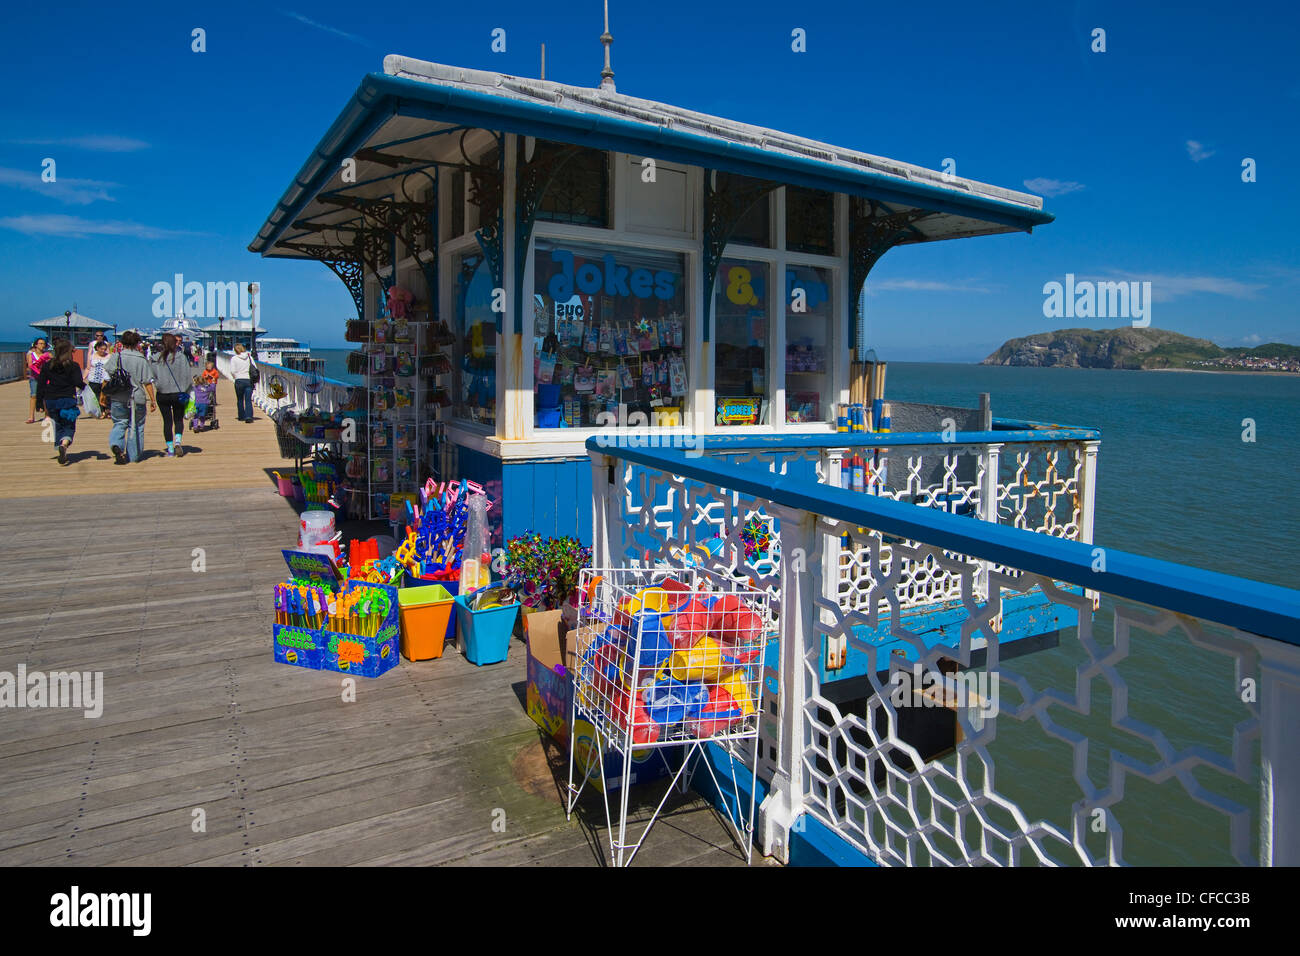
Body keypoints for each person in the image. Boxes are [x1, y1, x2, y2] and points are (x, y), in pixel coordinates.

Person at [102, 330, 157, 465]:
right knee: (137, 426)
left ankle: (117, 445)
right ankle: (134, 456)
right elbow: (147, 381)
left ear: (122, 342)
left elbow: (106, 378)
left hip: (118, 397)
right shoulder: (141, 359)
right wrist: (153, 400)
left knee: (119, 423)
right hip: (137, 397)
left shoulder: (116, 356)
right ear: (137, 343)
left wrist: (102, 395)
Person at [36, 339, 86, 465]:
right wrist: (87, 389)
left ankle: (60, 444)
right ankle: (64, 444)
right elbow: (78, 383)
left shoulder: (47, 365)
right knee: (69, 426)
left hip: (51, 400)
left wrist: (39, 402)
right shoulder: (73, 366)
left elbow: (41, 384)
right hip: (67, 399)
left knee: (57, 425)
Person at [151, 332, 196, 457]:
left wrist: (159, 385)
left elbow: (152, 376)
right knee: (178, 419)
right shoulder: (181, 357)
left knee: (167, 421)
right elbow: (188, 377)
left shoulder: (156, 358)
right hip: (178, 393)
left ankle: (170, 449)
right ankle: (178, 442)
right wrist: (184, 388)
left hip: (162, 394)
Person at [230, 343, 257, 422]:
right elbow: (255, 368)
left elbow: (232, 371)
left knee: (240, 399)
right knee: (248, 399)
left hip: (239, 380)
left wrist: (236, 377)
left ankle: (241, 416)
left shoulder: (234, 358)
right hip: (248, 380)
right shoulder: (249, 357)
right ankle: (248, 416)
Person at [24, 337, 49, 424]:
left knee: (46, 396)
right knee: (33, 395)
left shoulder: (47, 354)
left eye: (43, 344)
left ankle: (47, 415)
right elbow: (30, 365)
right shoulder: (31, 355)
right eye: (40, 344)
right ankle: (31, 416)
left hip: (45, 378)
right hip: (34, 378)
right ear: (36, 345)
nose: (42, 345)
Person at [85, 339, 111, 418]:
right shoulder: (92, 356)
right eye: (101, 349)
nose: (103, 351)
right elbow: (88, 368)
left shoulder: (109, 356)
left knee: (106, 395)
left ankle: (108, 410)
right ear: (97, 348)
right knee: (96, 396)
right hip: (94, 379)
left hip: (105, 379)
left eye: (104, 349)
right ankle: (101, 411)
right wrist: (83, 377)